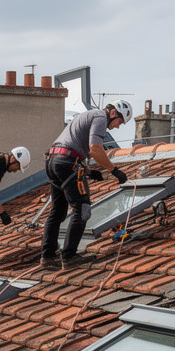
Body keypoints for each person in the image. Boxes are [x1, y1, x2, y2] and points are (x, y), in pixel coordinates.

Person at [40, 100, 133, 266]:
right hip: (67, 162)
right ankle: (69, 256)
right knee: (82, 209)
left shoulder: (86, 115)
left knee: (58, 211)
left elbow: (73, 144)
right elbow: (95, 149)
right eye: (119, 122)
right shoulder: (100, 118)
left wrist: (90, 172)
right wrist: (114, 170)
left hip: (53, 161)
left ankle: (48, 256)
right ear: (113, 113)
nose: (118, 127)